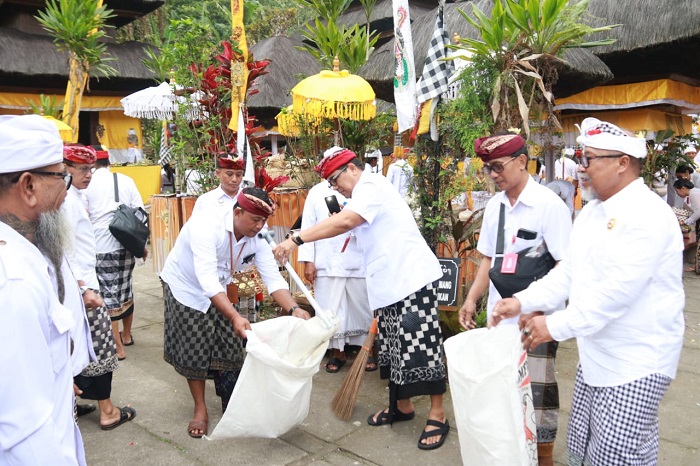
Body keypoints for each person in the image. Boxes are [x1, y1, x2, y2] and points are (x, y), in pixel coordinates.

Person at [491, 117, 685, 465]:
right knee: (583, 450)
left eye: (589, 159)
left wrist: (553, 326)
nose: (581, 168)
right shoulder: (594, 213)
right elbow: (568, 274)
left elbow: (614, 295)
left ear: (622, 163)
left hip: (636, 363)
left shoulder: (647, 215)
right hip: (598, 357)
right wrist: (523, 301)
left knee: (615, 457)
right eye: (581, 157)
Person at [273, 147, 449, 450]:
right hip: (387, 284)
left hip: (410, 279)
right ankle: (401, 406)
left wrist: (296, 238)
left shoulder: (371, 185)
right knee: (395, 349)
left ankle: (438, 414)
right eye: (331, 183)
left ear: (352, 169)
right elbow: (348, 227)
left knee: (423, 347)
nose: (336, 187)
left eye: (335, 179)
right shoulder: (359, 194)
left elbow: (345, 222)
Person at [456, 133, 572, 466]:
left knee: (538, 393)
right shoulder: (496, 206)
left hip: (535, 319)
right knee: (504, 391)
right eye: (487, 168)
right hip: (499, 315)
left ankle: (544, 457)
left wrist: (535, 309)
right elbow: (489, 260)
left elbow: (565, 266)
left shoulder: (549, 206)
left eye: (497, 167)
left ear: (522, 161)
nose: (492, 175)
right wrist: (471, 300)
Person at [160, 187, 302, 439]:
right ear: (237, 213)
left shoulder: (258, 235)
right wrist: (235, 315)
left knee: (230, 345)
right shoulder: (207, 224)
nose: (259, 226)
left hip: (220, 287)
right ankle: (200, 408)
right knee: (195, 347)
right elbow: (206, 279)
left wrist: (294, 308)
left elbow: (272, 277)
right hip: (186, 286)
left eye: (263, 221)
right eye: (255, 220)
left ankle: (232, 402)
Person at [0, 114, 87, 464]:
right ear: (28, 187)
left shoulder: (29, 251)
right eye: (60, 176)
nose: (66, 191)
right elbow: (25, 430)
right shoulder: (12, 281)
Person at [62, 144, 137, 430]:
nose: (88, 174)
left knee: (76, 349)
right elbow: (64, 251)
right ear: (65, 168)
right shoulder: (65, 201)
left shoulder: (75, 196)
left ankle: (71, 402)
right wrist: (83, 289)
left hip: (82, 283)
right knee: (102, 349)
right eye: (81, 169)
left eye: (90, 169)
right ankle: (107, 411)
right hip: (82, 288)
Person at [297, 179, 373, 373]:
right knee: (331, 308)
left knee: (362, 306)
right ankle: (337, 352)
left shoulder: (362, 189)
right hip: (328, 259)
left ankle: (367, 349)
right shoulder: (316, 192)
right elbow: (307, 226)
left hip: (358, 258)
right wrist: (308, 261)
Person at [84, 149, 147, 361]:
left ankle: (118, 349)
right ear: (110, 162)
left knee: (109, 297)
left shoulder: (86, 184)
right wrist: (141, 245)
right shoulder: (126, 180)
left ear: (92, 164)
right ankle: (126, 335)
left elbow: (83, 216)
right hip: (125, 244)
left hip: (101, 246)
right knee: (126, 290)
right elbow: (139, 213)